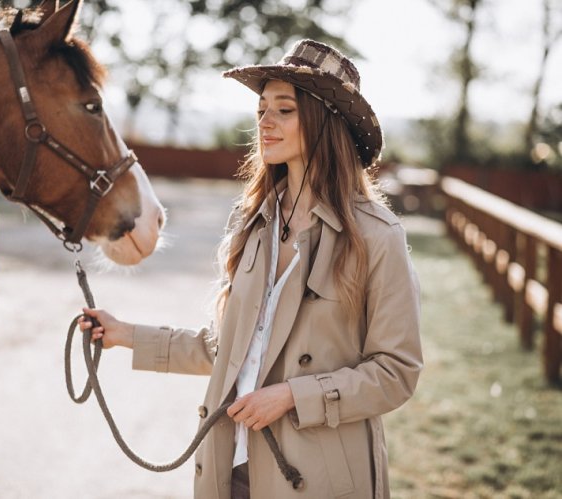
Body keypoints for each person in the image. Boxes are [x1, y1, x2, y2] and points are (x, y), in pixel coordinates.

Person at [78, 39, 422, 499]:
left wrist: (294, 397)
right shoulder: (252, 221)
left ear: (324, 121)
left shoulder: (378, 236)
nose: (265, 120)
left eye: (284, 109)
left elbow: (397, 372)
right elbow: (229, 351)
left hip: (320, 480)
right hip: (234, 470)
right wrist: (125, 335)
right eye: (262, 108)